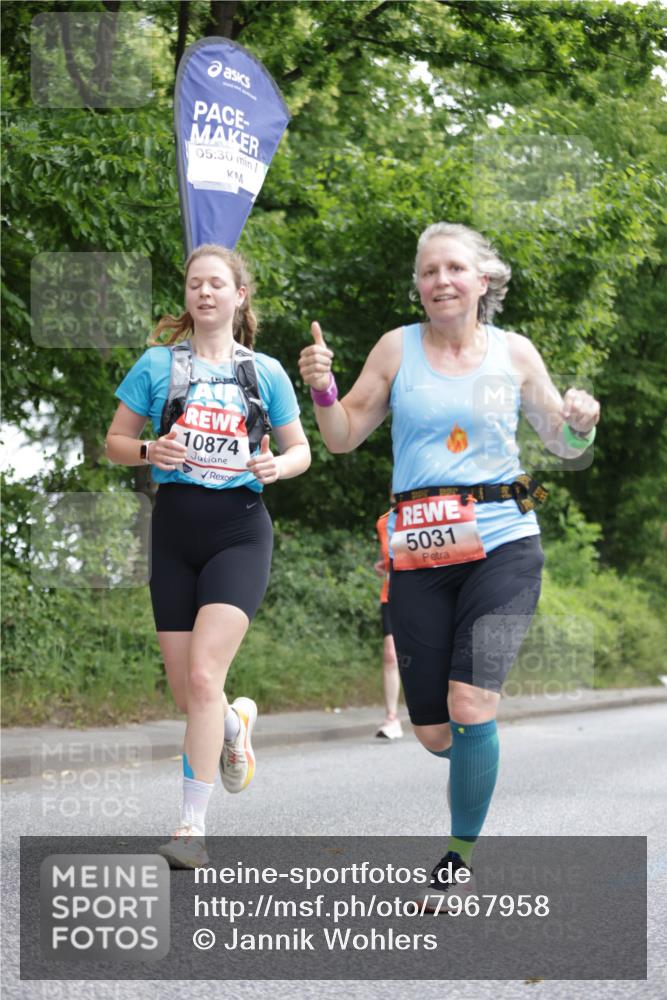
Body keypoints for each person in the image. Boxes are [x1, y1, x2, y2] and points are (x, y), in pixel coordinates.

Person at [299, 222, 599, 906]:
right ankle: (476, 751)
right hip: (419, 550)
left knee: (469, 702)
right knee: (437, 729)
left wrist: (579, 418)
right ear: (419, 286)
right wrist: (320, 387)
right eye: (428, 272)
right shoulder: (395, 349)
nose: (440, 281)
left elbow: (561, 444)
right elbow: (342, 437)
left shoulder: (515, 353)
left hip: (503, 542)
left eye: (453, 269)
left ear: (482, 281)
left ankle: (456, 857)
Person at [106, 244, 310, 868]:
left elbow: (300, 450)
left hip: (239, 533)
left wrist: (277, 465)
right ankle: (231, 727)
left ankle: (190, 829)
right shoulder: (157, 366)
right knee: (187, 690)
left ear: (238, 296)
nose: (205, 293)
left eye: (217, 284)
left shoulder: (265, 373)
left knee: (202, 678)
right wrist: (149, 454)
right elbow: (115, 442)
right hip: (173, 533)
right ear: (187, 295)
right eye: (195, 283)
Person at [374, 509, 403, 740]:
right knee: (391, 655)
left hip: (426, 596)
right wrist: (385, 565)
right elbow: (390, 556)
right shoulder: (384, 522)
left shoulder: (425, 512)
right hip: (391, 595)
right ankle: (392, 718)